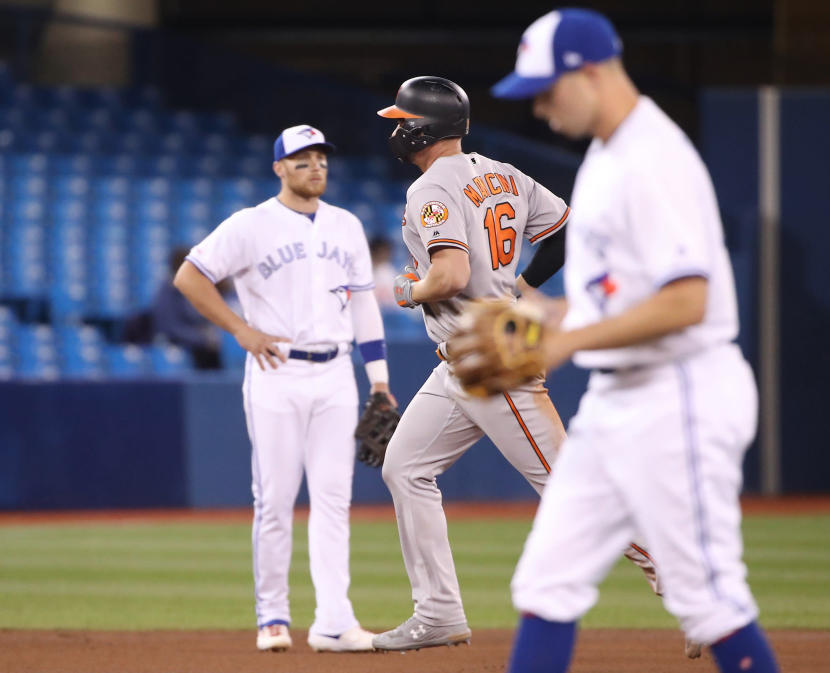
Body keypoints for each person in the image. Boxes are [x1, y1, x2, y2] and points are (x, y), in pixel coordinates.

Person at [490, 9, 781, 673]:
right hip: (618, 402)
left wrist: (564, 344)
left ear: (589, 72)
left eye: (544, 90)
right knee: (547, 580)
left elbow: (687, 299)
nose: (537, 108)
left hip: (679, 392)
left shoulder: (653, 158)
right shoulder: (604, 158)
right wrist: (534, 322)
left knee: (710, 602)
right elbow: (603, 300)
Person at [371, 76, 662, 653]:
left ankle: (674, 570)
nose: (397, 127)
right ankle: (438, 613)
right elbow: (565, 233)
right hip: (460, 357)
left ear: (423, 127)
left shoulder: (430, 186)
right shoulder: (503, 173)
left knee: (565, 484)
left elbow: (449, 276)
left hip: (490, 352)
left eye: (402, 118)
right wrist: (522, 287)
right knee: (404, 467)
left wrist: (408, 291)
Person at [173, 124, 395, 654]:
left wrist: (380, 382)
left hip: (337, 373)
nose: (314, 166)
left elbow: (364, 305)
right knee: (274, 499)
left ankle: (334, 621)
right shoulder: (251, 225)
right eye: (301, 159)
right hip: (277, 373)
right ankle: (272, 616)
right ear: (279, 167)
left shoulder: (346, 226)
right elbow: (190, 277)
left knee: (334, 500)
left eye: (320, 158)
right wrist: (241, 330)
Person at [151, 246, 222, 369]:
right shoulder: (167, 293)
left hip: (198, 345)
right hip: (179, 345)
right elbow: (171, 328)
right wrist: (202, 339)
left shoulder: (194, 287)